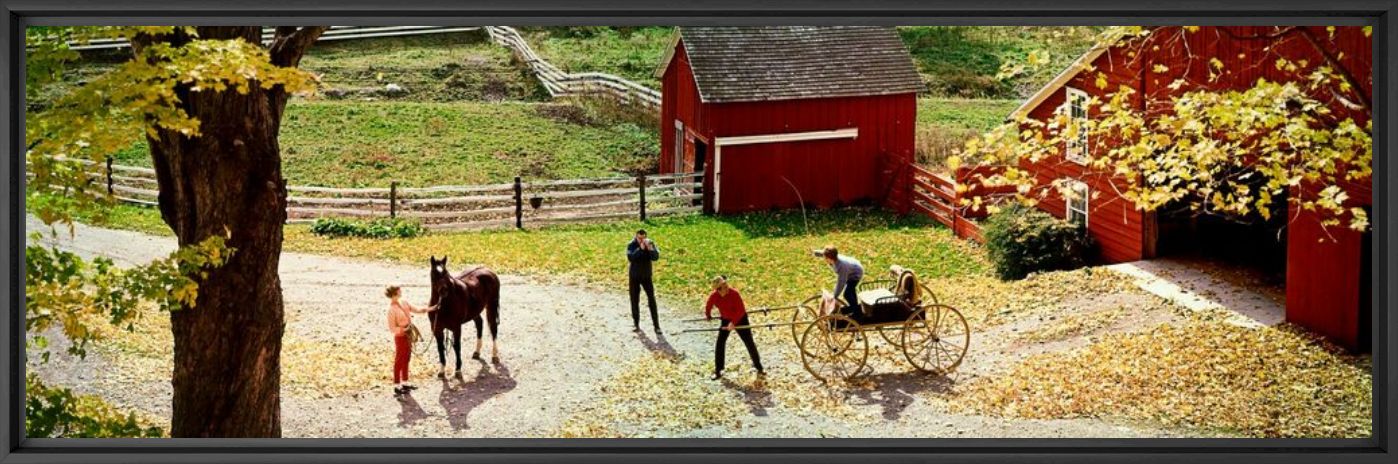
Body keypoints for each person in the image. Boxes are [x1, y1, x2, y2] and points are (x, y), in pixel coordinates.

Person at [704, 275, 763, 380]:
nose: (727, 288)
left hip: (740, 318)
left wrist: (733, 323)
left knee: (749, 341)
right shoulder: (714, 296)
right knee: (720, 344)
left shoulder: (734, 294)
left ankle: (759, 367)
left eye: (726, 285)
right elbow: (709, 304)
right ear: (718, 290)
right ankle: (718, 370)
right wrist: (708, 315)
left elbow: (741, 310)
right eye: (723, 287)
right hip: (726, 319)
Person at [386, 285, 435, 396]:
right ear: (394, 293)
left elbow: (416, 309)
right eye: (399, 290)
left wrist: (430, 308)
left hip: (408, 336)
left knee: (407, 358)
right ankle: (397, 384)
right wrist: (404, 329)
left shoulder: (404, 302)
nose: (401, 291)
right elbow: (392, 328)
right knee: (399, 359)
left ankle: (405, 382)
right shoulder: (391, 310)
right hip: (401, 337)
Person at [812, 245, 864, 319]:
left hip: (855, 274)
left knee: (847, 294)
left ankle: (856, 311)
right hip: (851, 267)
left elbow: (841, 282)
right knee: (851, 292)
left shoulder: (842, 266)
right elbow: (825, 253)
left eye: (825, 258)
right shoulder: (833, 257)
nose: (824, 259)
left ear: (830, 258)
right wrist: (815, 252)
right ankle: (856, 309)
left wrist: (835, 296)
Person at [626, 229, 661, 332]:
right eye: (639, 238)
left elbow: (655, 257)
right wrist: (640, 249)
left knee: (651, 299)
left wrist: (651, 250)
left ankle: (656, 326)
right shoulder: (631, 245)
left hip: (646, 276)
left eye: (643, 238)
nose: (642, 240)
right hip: (634, 276)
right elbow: (631, 257)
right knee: (634, 299)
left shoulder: (650, 243)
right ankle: (636, 324)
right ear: (636, 237)